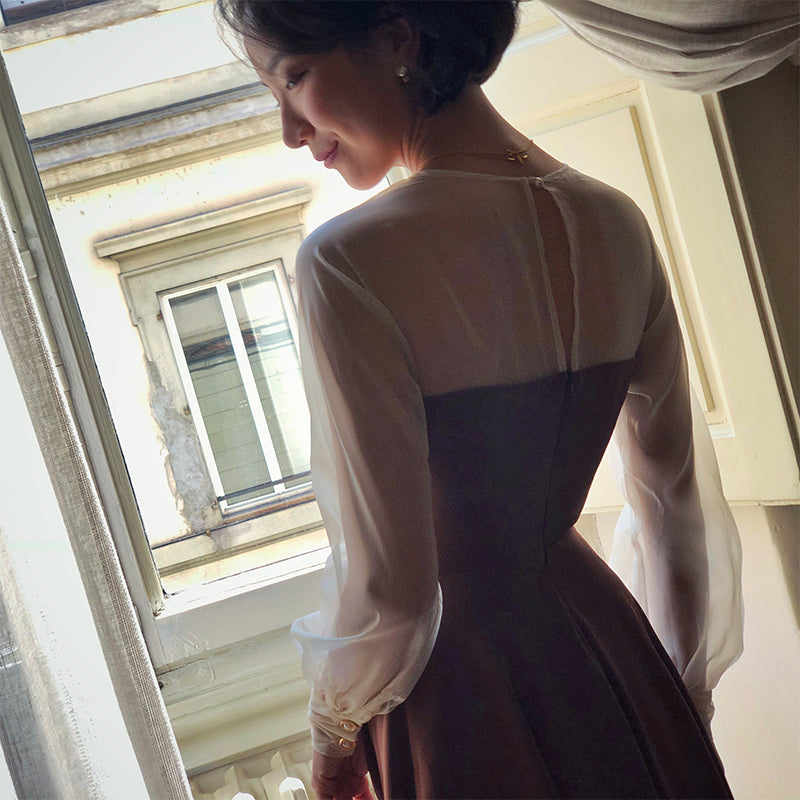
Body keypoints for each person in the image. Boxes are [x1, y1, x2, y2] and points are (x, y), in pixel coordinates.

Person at [215, 2, 744, 798]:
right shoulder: (618, 221)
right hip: (611, 650)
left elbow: (391, 584)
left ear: (396, 36)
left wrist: (334, 732)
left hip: (458, 695)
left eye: (295, 77)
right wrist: (674, 702)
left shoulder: (348, 260)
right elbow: (675, 510)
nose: (290, 129)